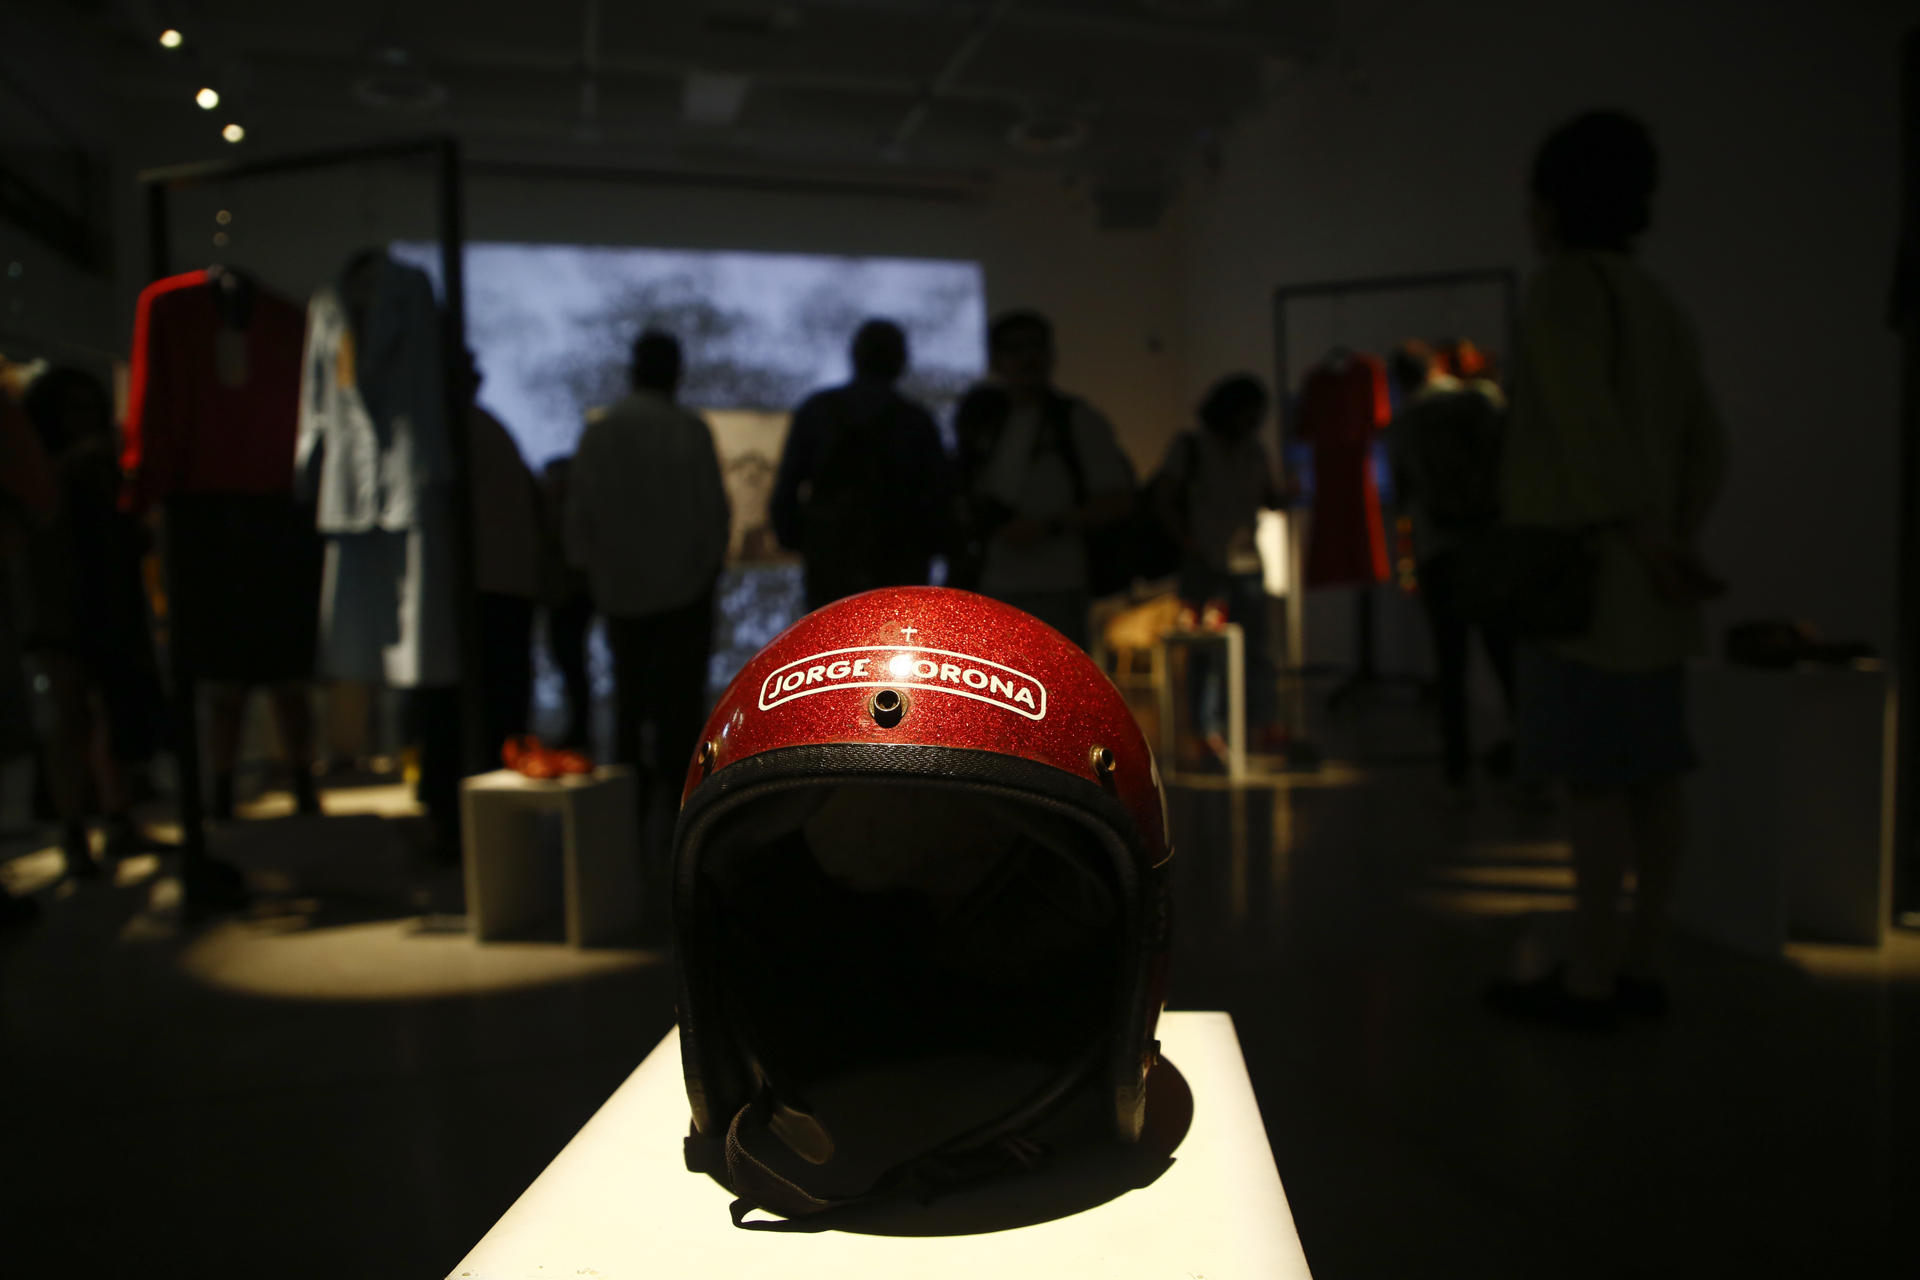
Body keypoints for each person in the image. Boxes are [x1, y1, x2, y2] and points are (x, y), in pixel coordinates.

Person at [1488, 111, 1727, 1028]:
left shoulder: (1563, 289)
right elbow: (1709, 442)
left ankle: (1590, 977)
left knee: (1592, 784)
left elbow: (1586, 426)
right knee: (1654, 781)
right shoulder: (1655, 297)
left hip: (1586, 583)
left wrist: (1643, 535)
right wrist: (1677, 535)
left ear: (1551, 201)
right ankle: (1641, 962)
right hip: (1655, 585)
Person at [566, 330, 729, 811]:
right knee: (680, 718)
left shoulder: (602, 430)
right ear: (677, 372)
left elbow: (580, 517)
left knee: (629, 710)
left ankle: (626, 817)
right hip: (685, 594)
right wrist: (707, 572)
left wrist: (588, 572)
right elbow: (714, 515)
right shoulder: (690, 429)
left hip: (621, 593)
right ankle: (682, 818)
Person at [17, 368, 166, 874]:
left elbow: (132, 529)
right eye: (70, 411)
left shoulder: (103, 466)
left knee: (106, 713)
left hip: (106, 599)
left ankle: (115, 820)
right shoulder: (43, 462)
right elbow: (35, 516)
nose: (81, 420)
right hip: (55, 600)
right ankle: (73, 832)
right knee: (67, 716)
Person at [1387, 341, 1517, 797]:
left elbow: (1401, 500)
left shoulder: (1403, 424)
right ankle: (1530, 760)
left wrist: (1405, 566)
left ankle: (1457, 765)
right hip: (1491, 547)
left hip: (1437, 552)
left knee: (1450, 664)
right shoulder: (1481, 399)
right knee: (1507, 661)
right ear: (1438, 366)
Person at [961, 310, 1133, 648]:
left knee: (1059, 689)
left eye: (1036, 347)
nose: (1028, 358)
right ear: (996, 360)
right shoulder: (983, 422)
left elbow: (1118, 499)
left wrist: (1048, 527)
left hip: (1058, 584)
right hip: (992, 582)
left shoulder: (1077, 420)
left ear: (1051, 355)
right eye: (1015, 349)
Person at [770, 319, 951, 610]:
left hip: (833, 556)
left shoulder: (818, 410)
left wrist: (801, 538)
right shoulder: (915, 421)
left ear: (854, 355)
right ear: (902, 360)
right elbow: (939, 499)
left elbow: (787, 490)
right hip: (897, 558)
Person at [1155, 374, 1287, 761]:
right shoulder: (1192, 447)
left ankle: (1263, 724)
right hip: (1204, 561)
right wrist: (1187, 541)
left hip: (1246, 562)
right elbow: (1164, 498)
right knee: (1206, 652)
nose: (1253, 421)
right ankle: (1207, 732)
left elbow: (1269, 498)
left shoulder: (1254, 450)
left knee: (1257, 648)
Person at [463, 350, 544, 756]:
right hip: (506, 580)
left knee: (492, 697)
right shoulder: (490, 430)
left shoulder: (466, 430)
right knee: (505, 692)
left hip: (484, 584)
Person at [539, 457, 594, 750]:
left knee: (571, 664)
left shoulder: (565, 513)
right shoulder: (561, 512)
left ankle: (579, 731)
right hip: (565, 596)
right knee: (569, 664)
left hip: (569, 597)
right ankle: (578, 729)